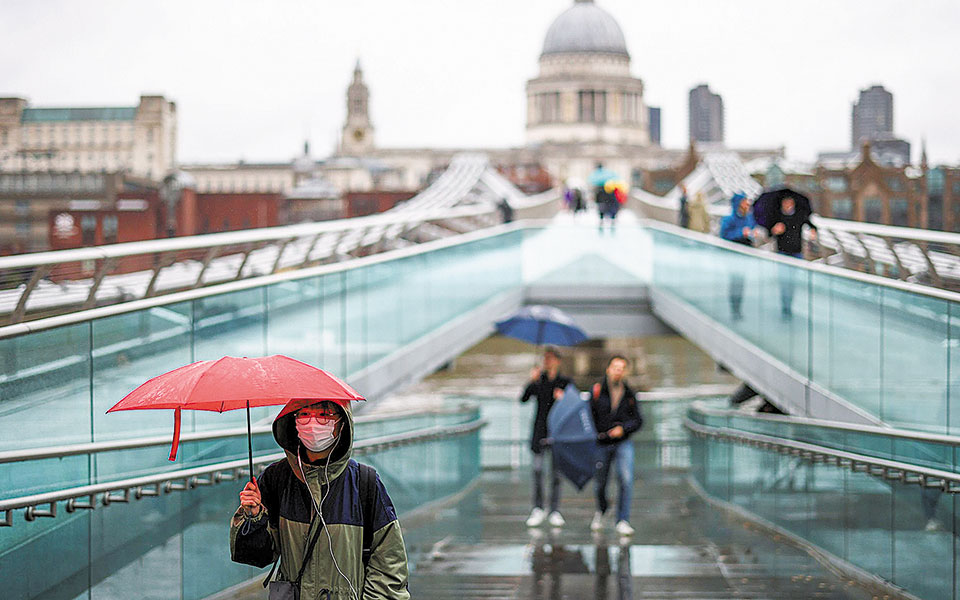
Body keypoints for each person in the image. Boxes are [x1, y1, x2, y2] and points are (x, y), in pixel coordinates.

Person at [231, 400, 410, 599]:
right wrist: (253, 518)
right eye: (304, 414)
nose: (312, 423)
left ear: (342, 423)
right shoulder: (277, 477)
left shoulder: (364, 482)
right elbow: (257, 556)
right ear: (294, 421)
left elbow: (389, 566)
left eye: (324, 415)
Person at [589, 355, 643, 536]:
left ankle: (622, 519)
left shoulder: (629, 394)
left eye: (622, 368)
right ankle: (603, 509)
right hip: (601, 444)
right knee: (600, 483)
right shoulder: (596, 391)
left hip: (622, 443)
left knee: (625, 479)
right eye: (615, 367)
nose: (618, 371)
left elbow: (638, 420)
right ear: (608, 369)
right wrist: (598, 433)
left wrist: (623, 429)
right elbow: (588, 417)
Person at [520, 347, 572, 527]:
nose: (547, 362)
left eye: (550, 359)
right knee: (537, 470)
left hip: (558, 434)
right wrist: (531, 380)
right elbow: (524, 399)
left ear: (557, 361)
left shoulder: (564, 382)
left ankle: (554, 510)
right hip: (540, 431)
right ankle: (538, 508)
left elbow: (573, 405)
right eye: (545, 358)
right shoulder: (539, 380)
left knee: (556, 474)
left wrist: (563, 398)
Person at [769, 196, 817, 318]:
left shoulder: (800, 215)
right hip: (782, 252)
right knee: (784, 282)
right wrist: (775, 230)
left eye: (790, 202)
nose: (788, 205)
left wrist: (813, 232)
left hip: (796, 252)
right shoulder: (777, 216)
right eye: (785, 202)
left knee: (793, 282)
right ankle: (786, 308)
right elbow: (769, 232)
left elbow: (811, 225)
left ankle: (790, 305)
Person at [719, 192, 758, 320]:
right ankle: (734, 310)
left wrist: (752, 234)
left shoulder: (749, 218)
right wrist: (740, 232)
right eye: (744, 201)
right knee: (735, 283)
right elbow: (724, 236)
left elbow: (751, 231)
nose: (747, 204)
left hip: (745, 256)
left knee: (741, 283)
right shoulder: (729, 219)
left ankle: (738, 309)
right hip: (733, 257)